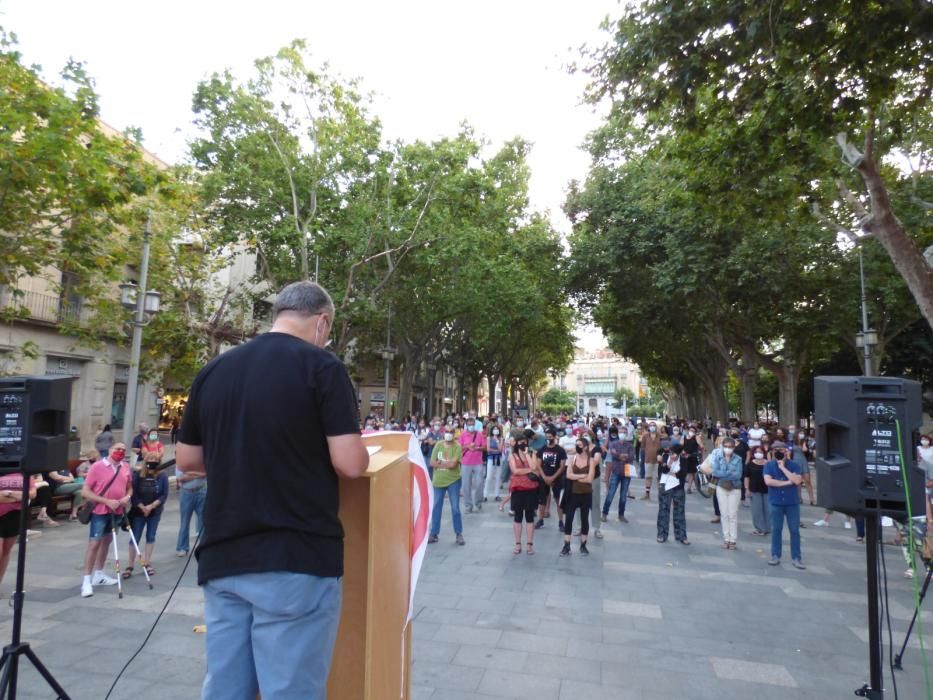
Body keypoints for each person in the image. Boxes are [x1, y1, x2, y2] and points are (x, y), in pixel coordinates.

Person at [176, 281, 369, 700]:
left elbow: (188, 461)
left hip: (224, 556)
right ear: (322, 322)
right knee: (290, 689)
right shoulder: (323, 368)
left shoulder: (214, 370)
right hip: (294, 557)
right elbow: (351, 464)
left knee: (225, 688)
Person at [80, 443, 132, 597]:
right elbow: (85, 492)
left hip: (117, 510)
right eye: (117, 449)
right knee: (94, 543)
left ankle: (99, 574)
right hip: (100, 511)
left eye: (123, 449)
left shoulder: (125, 467)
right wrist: (105, 501)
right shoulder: (97, 467)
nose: (120, 452)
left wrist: (126, 498)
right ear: (109, 450)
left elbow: (129, 487)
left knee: (107, 540)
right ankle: (86, 580)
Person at [764, 442, 805, 569]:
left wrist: (783, 468)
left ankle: (796, 557)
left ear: (786, 451)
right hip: (776, 502)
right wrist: (788, 482)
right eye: (776, 450)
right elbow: (768, 481)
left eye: (781, 450)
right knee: (776, 530)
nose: (779, 453)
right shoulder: (769, 465)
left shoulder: (794, 465)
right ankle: (775, 555)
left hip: (792, 503)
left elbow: (798, 481)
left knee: (794, 530)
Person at [124, 461, 169, 578]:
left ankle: (148, 563)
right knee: (135, 537)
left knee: (151, 536)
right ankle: (130, 565)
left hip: (154, 511)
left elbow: (164, 494)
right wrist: (141, 506)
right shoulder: (138, 475)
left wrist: (152, 506)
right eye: (151, 459)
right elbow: (132, 493)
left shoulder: (162, 475)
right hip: (139, 512)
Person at [561, 436, 595, 556]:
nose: (577, 447)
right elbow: (568, 475)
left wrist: (576, 477)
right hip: (573, 493)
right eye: (576, 444)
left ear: (585, 447)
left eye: (579, 445)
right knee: (569, 519)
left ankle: (583, 545)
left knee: (584, 519)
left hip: (586, 494)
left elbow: (590, 479)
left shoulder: (591, 461)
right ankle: (566, 545)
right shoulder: (573, 459)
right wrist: (581, 476)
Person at [429, 428, 465, 545]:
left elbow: (453, 464)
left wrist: (440, 463)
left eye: (451, 432)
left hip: (453, 480)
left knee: (455, 507)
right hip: (438, 481)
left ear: (454, 434)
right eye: (447, 432)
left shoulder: (457, 446)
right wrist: (445, 463)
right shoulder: (438, 445)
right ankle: (434, 533)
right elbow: (432, 462)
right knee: (436, 507)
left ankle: (458, 533)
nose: (448, 434)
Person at [0, 471, 36, 587]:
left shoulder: (25, 472)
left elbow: (31, 494)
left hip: (15, 515)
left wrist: (8, 494)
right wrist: (19, 496)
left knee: (6, 551)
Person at [708, 437, 743, 550]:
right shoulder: (718, 457)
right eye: (726, 446)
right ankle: (726, 539)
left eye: (730, 447)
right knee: (724, 514)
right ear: (723, 447)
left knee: (732, 514)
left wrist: (724, 473)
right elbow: (715, 472)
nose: (728, 449)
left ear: (734, 447)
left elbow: (738, 475)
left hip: (735, 488)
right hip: (721, 487)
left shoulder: (738, 459)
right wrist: (729, 472)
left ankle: (733, 540)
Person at [508, 436, 542, 554]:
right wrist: (529, 470)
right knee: (517, 516)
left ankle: (529, 544)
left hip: (531, 489)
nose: (523, 444)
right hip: (518, 489)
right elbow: (515, 471)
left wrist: (527, 454)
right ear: (516, 443)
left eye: (525, 442)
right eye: (521, 442)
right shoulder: (512, 456)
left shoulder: (532, 454)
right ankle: (517, 544)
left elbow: (534, 467)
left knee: (529, 517)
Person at [657, 443, 689, 544]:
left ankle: (681, 536)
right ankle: (662, 534)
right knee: (663, 510)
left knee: (679, 511)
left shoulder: (683, 460)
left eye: (674, 453)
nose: (672, 455)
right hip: (665, 486)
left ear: (679, 454)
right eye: (671, 452)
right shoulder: (665, 457)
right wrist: (669, 463)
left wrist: (671, 473)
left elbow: (682, 475)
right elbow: (663, 470)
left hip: (678, 487)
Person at [536, 427, 567, 530]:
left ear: (554, 437)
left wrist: (553, 477)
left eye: (550, 437)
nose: (548, 439)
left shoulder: (560, 450)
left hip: (557, 478)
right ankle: (540, 520)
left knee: (558, 500)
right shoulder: (542, 449)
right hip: (543, 478)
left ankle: (561, 522)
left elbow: (562, 466)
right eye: (546, 437)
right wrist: (544, 477)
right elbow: (539, 464)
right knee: (542, 501)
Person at [175, 459, 207, 557]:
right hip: (186, 493)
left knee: (203, 521)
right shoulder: (181, 463)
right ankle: (182, 547)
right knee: (185, 521)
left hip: (201, 491)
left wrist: (190, 474)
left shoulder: (201, 462)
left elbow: (205, 473)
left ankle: (204, 546)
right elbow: (180, 478)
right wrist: (197, 474)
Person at [602, 426, 634, 523]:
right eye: (621, 432)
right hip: (616, 471)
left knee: (623, 495)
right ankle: (604, 514)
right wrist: (622, 456)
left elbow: (631, 457)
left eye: (624, 432)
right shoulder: (613, 443)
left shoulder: (630, 445)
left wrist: (619, 455)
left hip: (627, 473)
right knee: (611, 493)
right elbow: (613, 454)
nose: (622, 434)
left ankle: (621, 515)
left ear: (627, 433)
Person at [458, 419, 486, 513]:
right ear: (466, 425)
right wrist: (467, 447)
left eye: (472, 424)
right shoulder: (462, 435)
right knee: (466, 485)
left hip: (478, 462)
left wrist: (477, 448)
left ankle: (478, 503)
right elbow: (458, 447)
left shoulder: (479, 434)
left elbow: (484, 447)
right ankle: (468, 505)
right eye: (469, 425)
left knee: (479, 483)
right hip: (466, 463)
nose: (471, 426)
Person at [744, 446, 770, 537]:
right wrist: (747, 489)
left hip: (767, 489)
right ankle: (760, 528)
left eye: (760, 451)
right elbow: (747, 477)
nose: (758, 453)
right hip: (754, 489)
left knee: (768, 509)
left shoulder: (768, 464)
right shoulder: (750, 464)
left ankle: (767, 528)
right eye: (756, 452)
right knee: (757, 510)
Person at [483, 423, 505, 502]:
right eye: (494, 429)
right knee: (489, 477)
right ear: (492, 430)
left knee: (498, 477)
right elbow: (488, 449)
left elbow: (500, 449)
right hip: (491, 458)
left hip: (499, 459)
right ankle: (485, 495)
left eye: (497, 429)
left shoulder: (501, 438)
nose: (496, 430)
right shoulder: (488, 438)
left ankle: (497, 495)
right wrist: (496, 450)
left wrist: (497, 441)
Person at [640, 422, 660, 501]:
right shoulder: (645, 436)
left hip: (658, 461)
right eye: (651, 425)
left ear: (656, 427)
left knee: (659, 478)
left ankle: (661, 495)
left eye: (654, 425)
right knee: (648, 477)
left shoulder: (660, 436)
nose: (652, 427)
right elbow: (642, 447)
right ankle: (647, 494)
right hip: (648, 459)